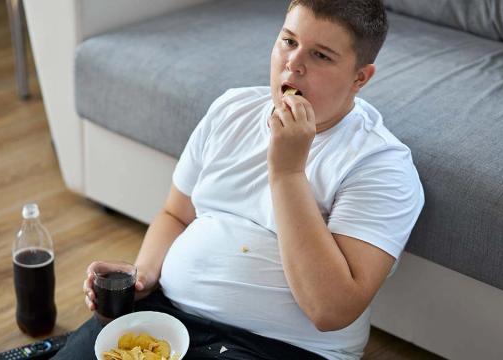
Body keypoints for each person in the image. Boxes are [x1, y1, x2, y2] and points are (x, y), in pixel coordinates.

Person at [56, 0, 424, 359]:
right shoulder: (231, 109)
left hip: (277, 348)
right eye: (289, 41)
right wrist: (144, 276)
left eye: (321, 55)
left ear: (360, 77)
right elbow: (176, 215)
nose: (293, 64)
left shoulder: (381, 166)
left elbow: (330, 310)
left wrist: (288, 172)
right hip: (166, 316)